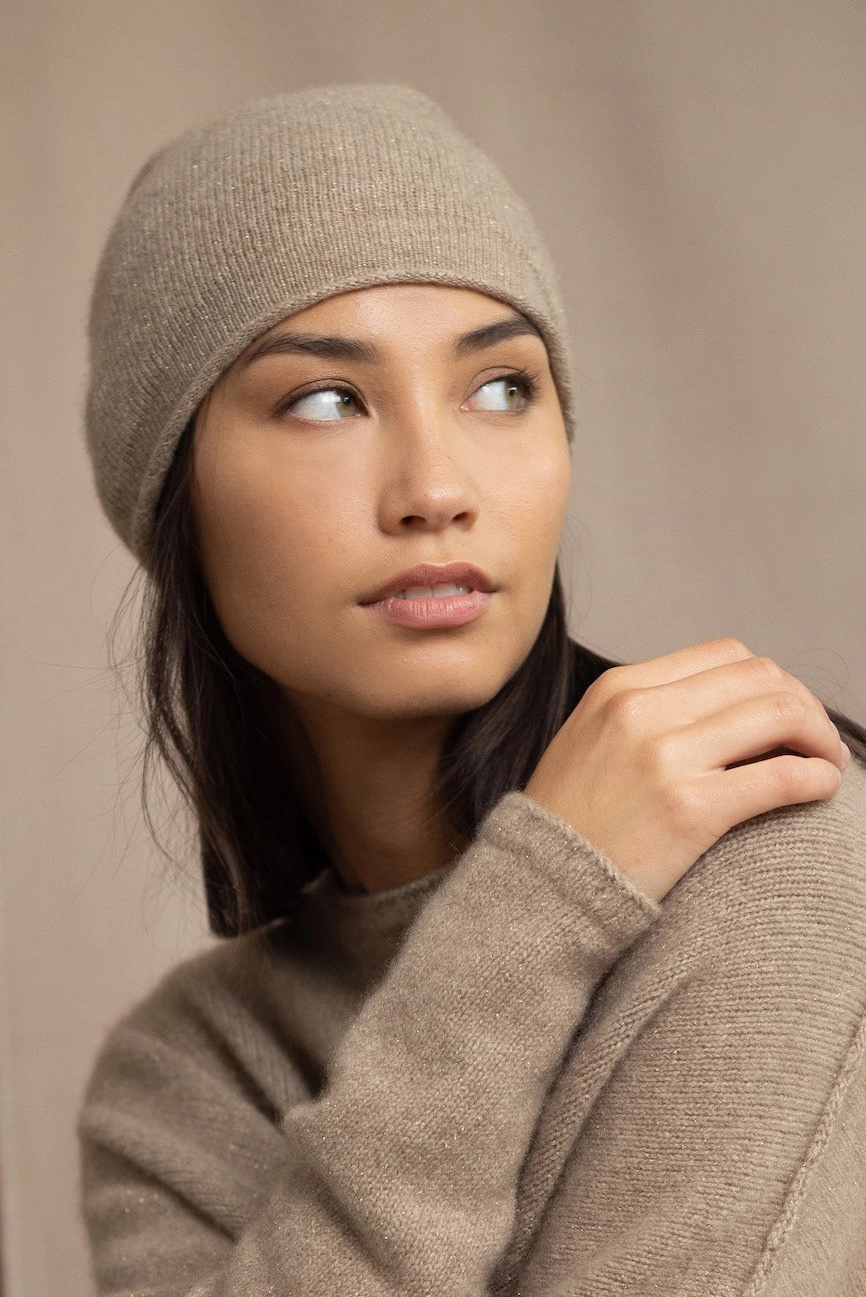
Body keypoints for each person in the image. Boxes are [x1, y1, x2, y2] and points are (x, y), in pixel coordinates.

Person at [79, 84, 866, 1296]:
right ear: (172, 499)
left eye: (501, 386)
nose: (436, 486)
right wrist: (532, 912)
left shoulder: (769, 858)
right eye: (326, 398)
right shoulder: (182, 1086)